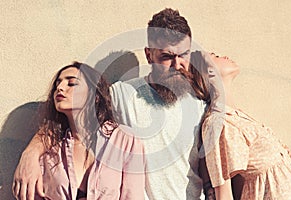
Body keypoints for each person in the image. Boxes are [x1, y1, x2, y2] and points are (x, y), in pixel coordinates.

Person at [13, 8, 209, 199]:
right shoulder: (122, 94)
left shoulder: (200, 105)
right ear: (149, 55)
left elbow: (208, 170)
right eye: (167, 56)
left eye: (184, 55)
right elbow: (68, 121)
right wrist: (30, 154)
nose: (177, 64)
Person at [13, 62, 145, 199]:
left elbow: (132, 195)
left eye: (71, 84)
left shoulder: (126, 141)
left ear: (95, 94)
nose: (60, 88)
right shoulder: (51, 151)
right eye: (57, 84)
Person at [189, 50, 291, 199]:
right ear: (208, 72)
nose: (225, 56)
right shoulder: (219, 123)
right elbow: (223, 193)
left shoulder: (237, 118)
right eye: (215, 56)